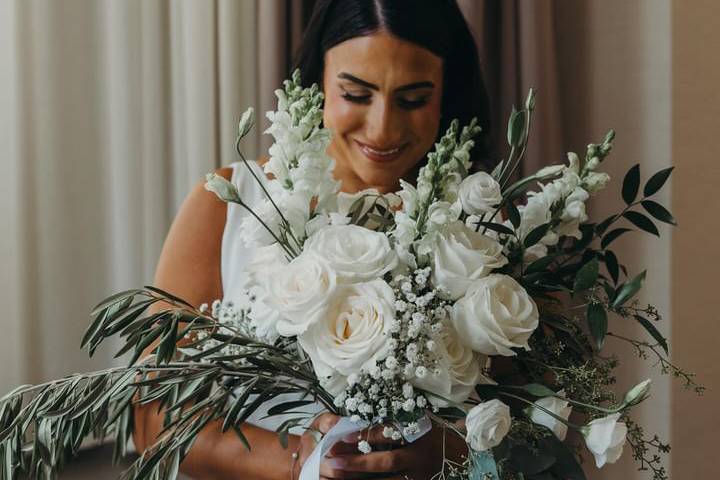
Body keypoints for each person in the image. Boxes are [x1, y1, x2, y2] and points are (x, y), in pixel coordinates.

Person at [133, 1, 493, 478]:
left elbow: (541, 418)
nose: (382, 128)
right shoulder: (227, 203)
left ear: (447, 93)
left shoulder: (483, 227)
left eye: (412, 99)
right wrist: (302, 460)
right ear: (317, 82)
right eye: (356, 94)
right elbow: (152, 417)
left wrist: (449, 451)